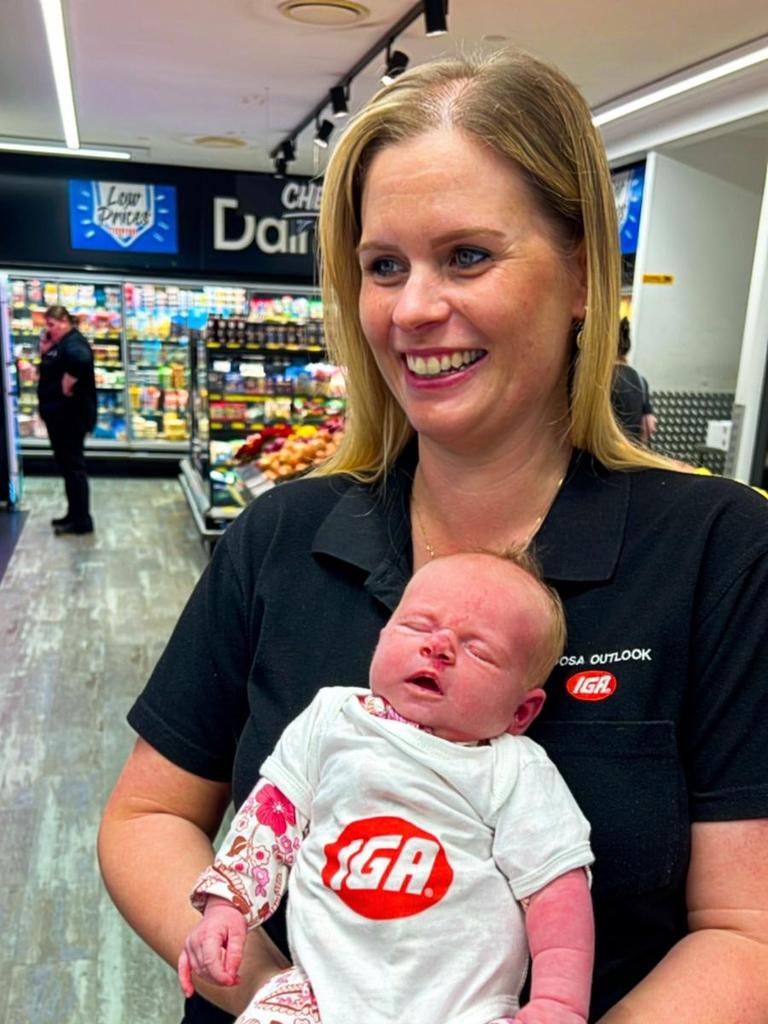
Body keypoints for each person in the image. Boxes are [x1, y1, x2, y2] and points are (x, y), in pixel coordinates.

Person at [98, 47, 768, 1024]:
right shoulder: (284, 533)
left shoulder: (721, 551)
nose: (413, 309)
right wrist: (277, 994)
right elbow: (148, 816)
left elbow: (745, 924)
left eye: (467, 255)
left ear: (584, 276)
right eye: (383, 266)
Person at [177, 550, 594, 1024]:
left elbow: (556, 890)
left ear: (522, 712)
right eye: (417, 627)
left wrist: (558, 1003)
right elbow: (270, 821)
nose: (439, 648)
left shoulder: (513, 769)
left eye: (478, 649)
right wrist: (226, 909)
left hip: (462, 1009)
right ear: (380, 640)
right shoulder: (333, 719)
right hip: (318, 993)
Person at [37, 305, 96, 534]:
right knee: (69, 468)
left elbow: (80, 360)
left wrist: (68, 381)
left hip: (70, 418)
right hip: (61, 416)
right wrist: (45, 350)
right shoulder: (62, 343)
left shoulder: (73, 342)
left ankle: (81, 521)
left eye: (51, 325)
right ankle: (75, 514)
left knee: (73, 469)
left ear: (64, 322)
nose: (48, 330)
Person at [610, 317, 657, 445]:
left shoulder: (600, 379)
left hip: (603, 456)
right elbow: (649, 426)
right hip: (630, 455)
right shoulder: (641, 380)